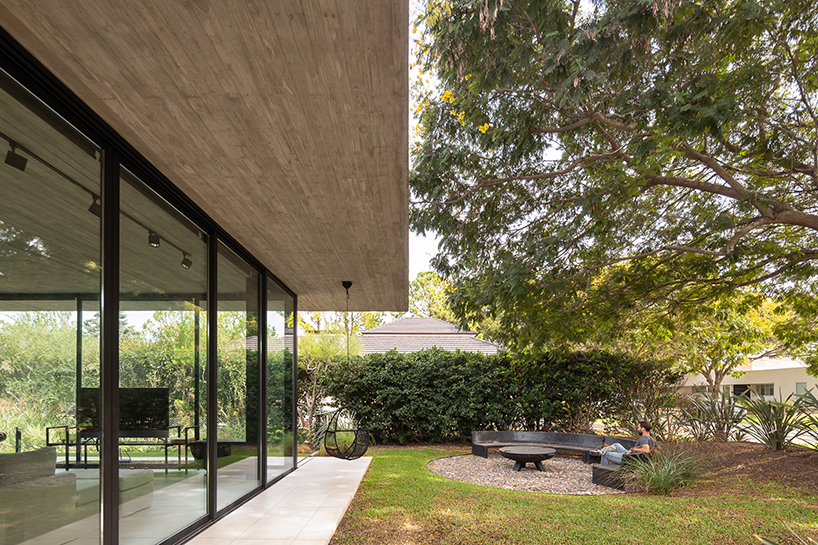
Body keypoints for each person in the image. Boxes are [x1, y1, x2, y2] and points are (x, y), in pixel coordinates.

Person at [592, 421, 657, 466]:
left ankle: (603, 472)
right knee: (616, 444)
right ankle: (600, 451)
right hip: (632, 456)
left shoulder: (643, 438)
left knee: (605, 454)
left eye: (638, 427)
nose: (637, 429)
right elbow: (657, 448)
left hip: (628, 459)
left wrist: (632, 449)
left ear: (643, 429)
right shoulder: (652, 439)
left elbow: (646, 450)